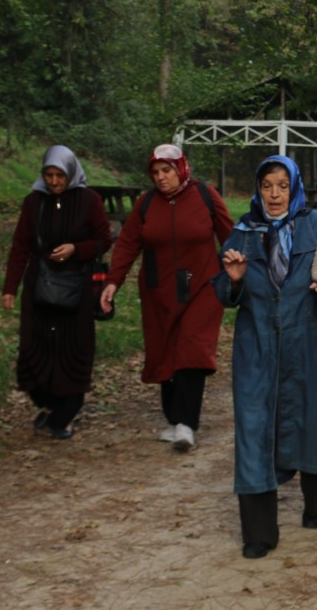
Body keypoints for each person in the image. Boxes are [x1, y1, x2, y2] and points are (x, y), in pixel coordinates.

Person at [215, 155, 317, 560]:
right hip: (258, 351)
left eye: (282, 186)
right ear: (257, 188)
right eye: (267, 185)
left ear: (295, 188)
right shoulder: (242, 234)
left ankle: (315, 503)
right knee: (253, 433)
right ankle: (258, 534)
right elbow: (221, 292)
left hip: (313, 346)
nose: (273, 194)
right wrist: (233, 282)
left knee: (315, 424)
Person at [103, 143, 233, 452]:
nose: (161, 178)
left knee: (191, 347)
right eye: (156, 172)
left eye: (167, 171)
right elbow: (127, 244)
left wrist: (244, 274)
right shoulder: (146, 204)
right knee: (165, 348)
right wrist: (112, 283)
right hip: (158, 289)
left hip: (202, 285)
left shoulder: (205, 196)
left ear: (181, 168)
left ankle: (187, 423)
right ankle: (175, 419)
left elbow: (232, 236)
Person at [1, 145, 113, 440]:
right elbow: (20, 246)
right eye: (48, 175)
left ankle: (64, 415)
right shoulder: (33, 202)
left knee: (71, 348)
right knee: (36, 348)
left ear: (71, 173)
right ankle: (48, 405)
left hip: (76, 288)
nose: (53, 181)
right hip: (40, 287)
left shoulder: (89, 201)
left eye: (59, 175)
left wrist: (77, 249)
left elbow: (104, 239)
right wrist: (10, 287)